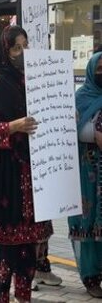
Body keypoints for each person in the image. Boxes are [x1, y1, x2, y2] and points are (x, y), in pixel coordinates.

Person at [0, 25, 53, 303]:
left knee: (27, 256)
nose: (21, 53)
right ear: (5, 49)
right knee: (2, 259)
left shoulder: (32, 80)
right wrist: (14, 126)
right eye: (15, 48)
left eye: (25, 46)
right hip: (7, 180)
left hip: (31, 179)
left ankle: (25, 297)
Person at [71, 51, 102, 298]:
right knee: (88, 222)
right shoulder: (79, 100)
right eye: (99, 68)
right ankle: (90, 277)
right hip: (84, 172)